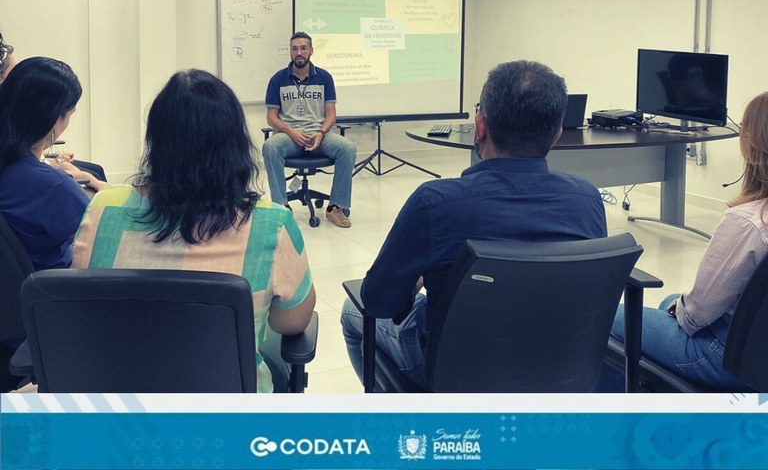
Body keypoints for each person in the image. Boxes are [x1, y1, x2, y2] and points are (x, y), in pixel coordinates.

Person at [340, 60, 607, 389]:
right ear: (556, 135)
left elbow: (378, 302)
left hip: (457, 373)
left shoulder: (435, 203)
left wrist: (416, 281)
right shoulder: (586, 199)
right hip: (559, 366)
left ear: (480, 127)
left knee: (352, 313)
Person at [73, 69, 316, 393]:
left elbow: (84, 306)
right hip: (227, 412)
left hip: (120, 407)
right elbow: (291, 322)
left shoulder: (103, 209)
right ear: (235, 144)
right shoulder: (271, 224)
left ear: (156, 141)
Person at [600, 91, 768, 392]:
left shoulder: (748, 223)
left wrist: (681, 311)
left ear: (752, 145)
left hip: (727, 359)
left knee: (603, 319)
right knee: (671, 302)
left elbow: (695, 316)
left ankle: (618, 415)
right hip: (758, 350)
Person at [0, 57, 102, 270]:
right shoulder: (53, 186)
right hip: (60, 284)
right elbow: (103, 238)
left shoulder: (17, 172)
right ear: (58, 118)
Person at [262, 31, 356, 228]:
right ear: (290, 52)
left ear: (311, 51)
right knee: (270, 146)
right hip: (289, 136)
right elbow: (271, 117)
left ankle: (336, 207)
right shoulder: (277, 79)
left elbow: (331, 114)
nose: (299, 53)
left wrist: (321, 133)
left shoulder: (324, 77)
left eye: (303, 48)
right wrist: (290, 131)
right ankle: (281, 207)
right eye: (295, 49)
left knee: (347, 148)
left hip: (319, 134)